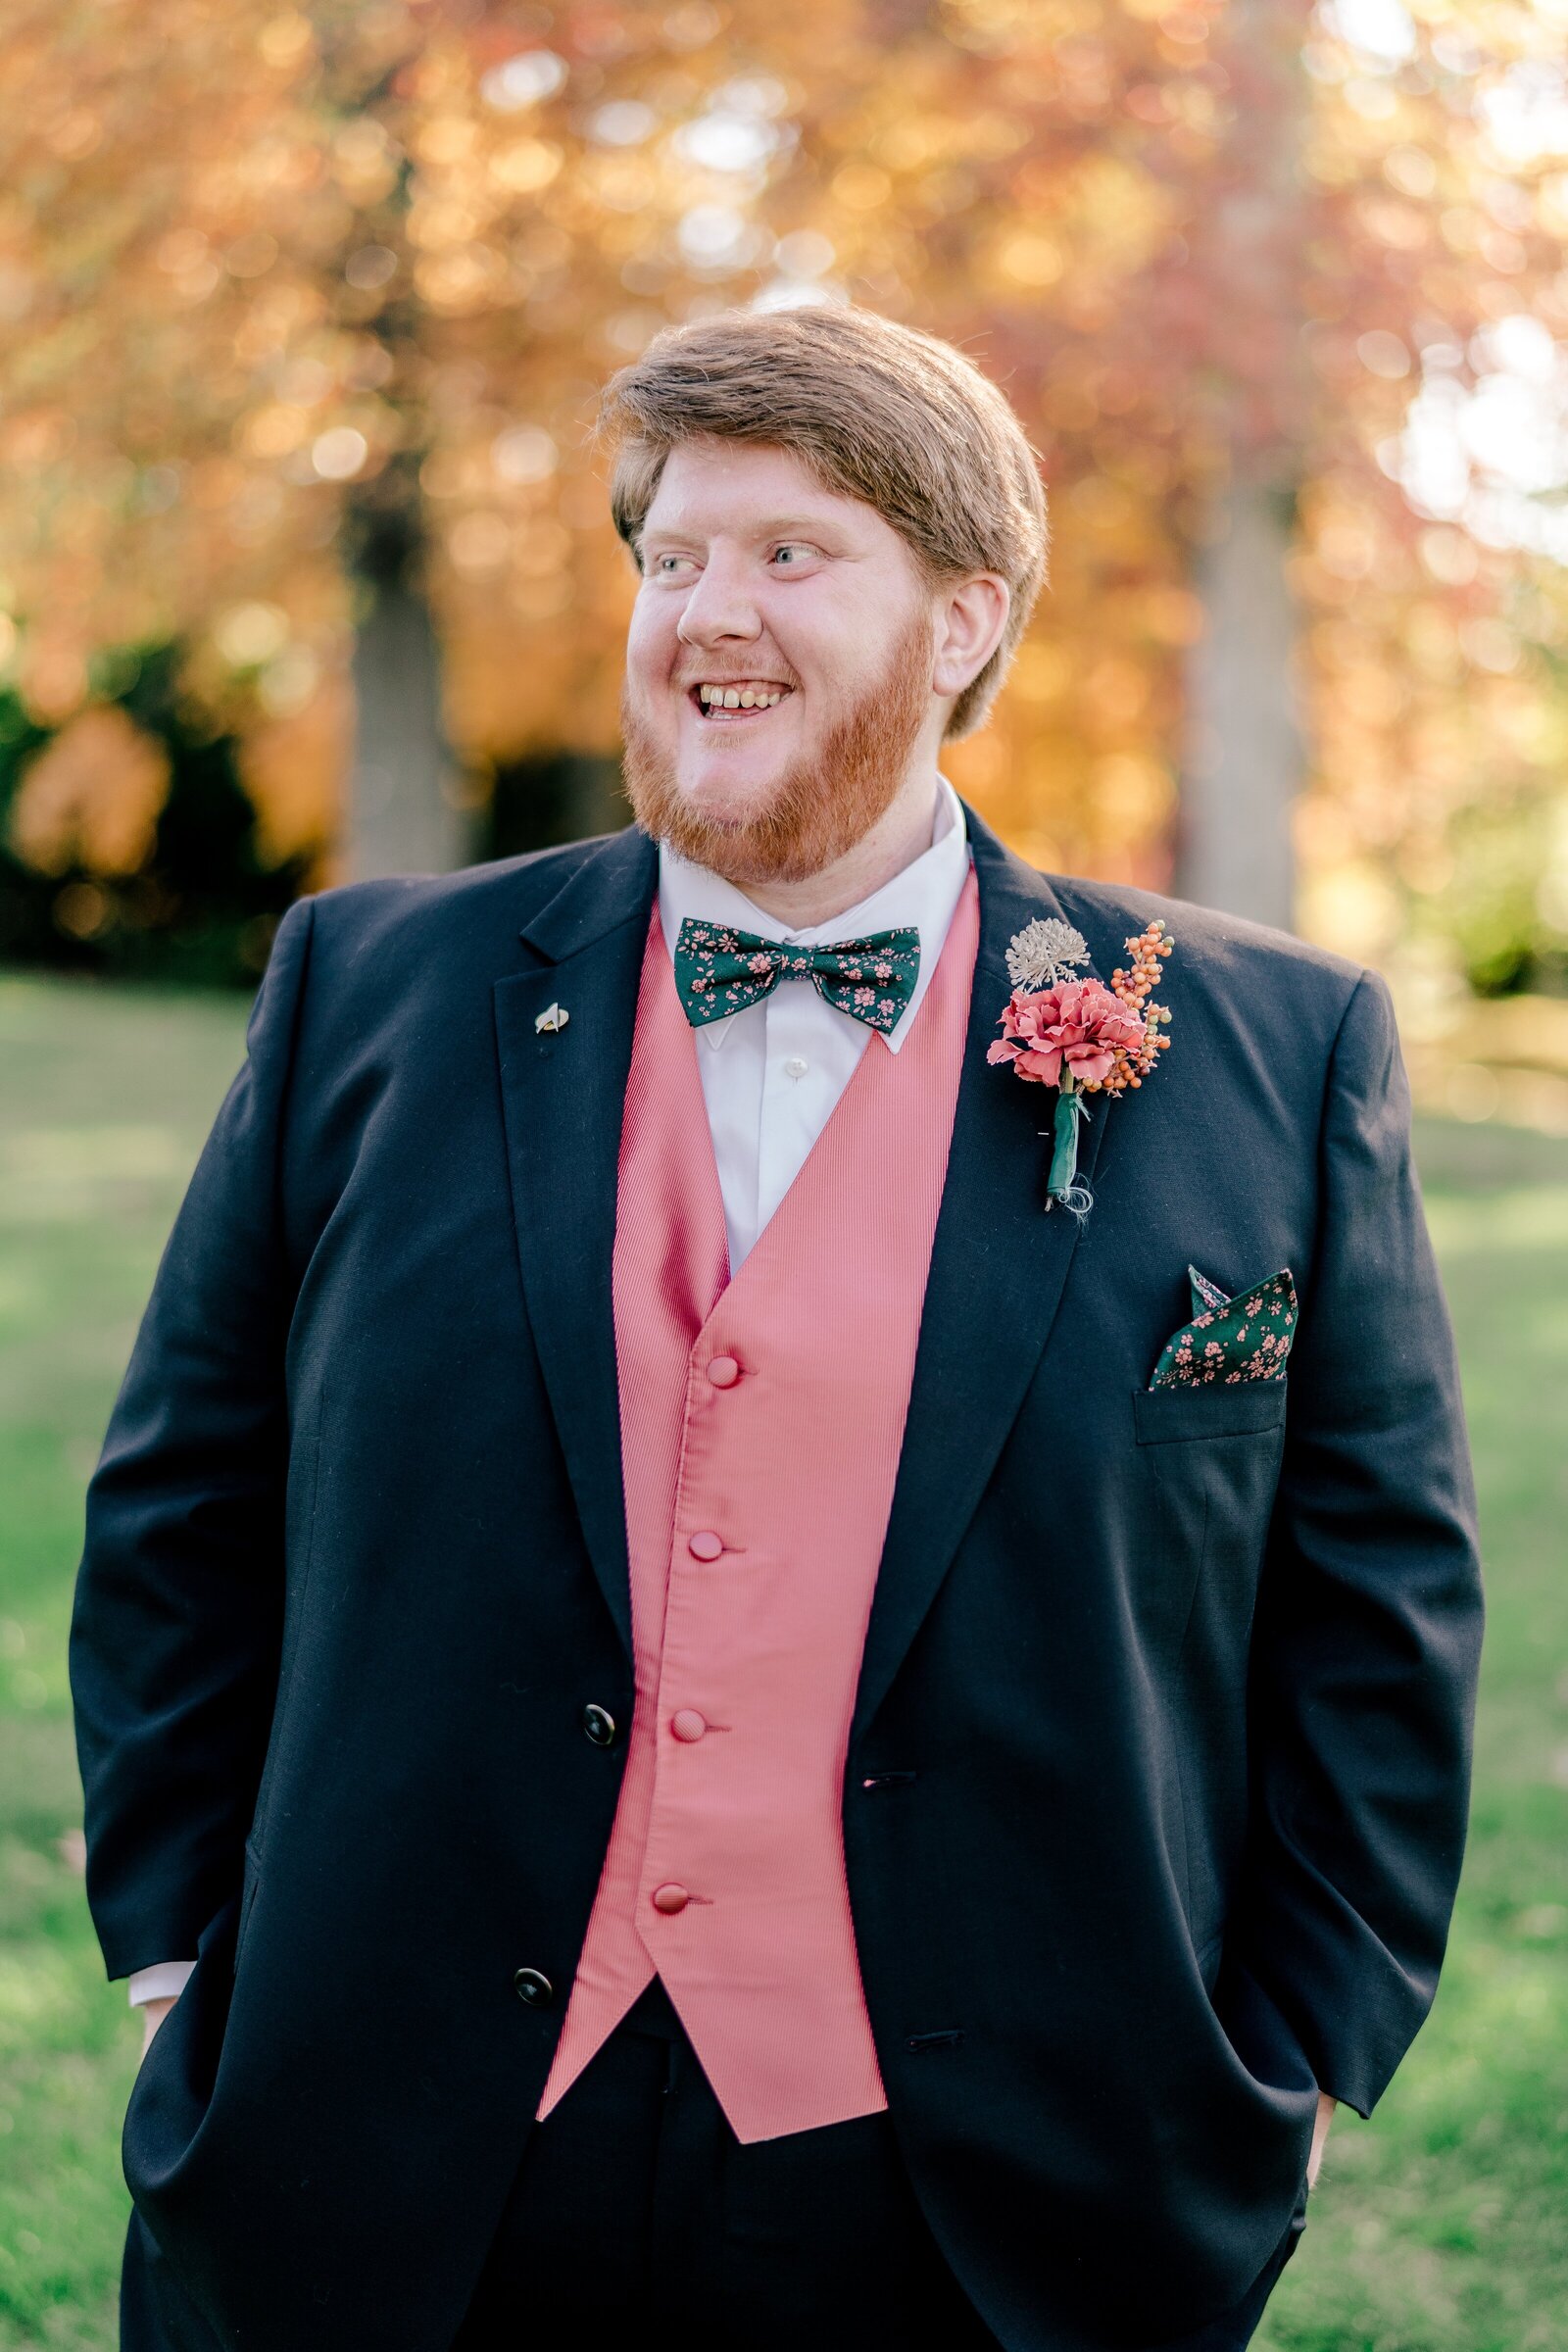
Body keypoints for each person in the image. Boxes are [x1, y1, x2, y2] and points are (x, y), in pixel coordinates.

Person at [71, 304, 1483, 2352]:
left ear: (961, 618)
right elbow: (179, 1506)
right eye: (669, 557)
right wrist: (184, 1968)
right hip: (388, 2115)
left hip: (986, 2163)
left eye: (787, 554)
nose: (701, 613)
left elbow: (1374, 1595)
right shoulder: (366, 991)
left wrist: (1301, 2045)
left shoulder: (1267, 1045)